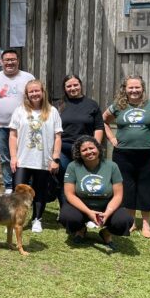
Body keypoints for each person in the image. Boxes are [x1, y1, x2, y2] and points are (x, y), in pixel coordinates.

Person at [102, 75, 150, 238]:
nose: (134, 90)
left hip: (148, 153)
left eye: (137, 87)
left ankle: (146, 224)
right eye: (130, 87)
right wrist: (112, 138)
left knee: (146, 188)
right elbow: (103, 120)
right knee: (127, 187)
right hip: (124, 154)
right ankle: (131, 222)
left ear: (143, 88)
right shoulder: (118, 106)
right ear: (125, 89)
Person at [59, 136, 133, 251]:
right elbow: (69, 194)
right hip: (81, 207)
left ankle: (106, 233)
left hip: (106, 206)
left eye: (91, 148)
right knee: (67, 217)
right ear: (79, 153)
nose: (89, 152)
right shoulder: (73, 166)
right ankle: (81, 229)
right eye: (84, 150)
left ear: (98, 148)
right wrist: (89, 212)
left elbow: (118, 195)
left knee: (124, 221)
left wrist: (108, 212)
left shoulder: (112, 166)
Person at [8, 79, 62, 233]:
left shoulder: (52, 112)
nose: (34, 94)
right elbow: (12, 135)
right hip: (22, 159)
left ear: (43, 92)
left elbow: (57, 137)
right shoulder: (20, 111)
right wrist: (13, 157)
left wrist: (55, 159)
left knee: (40, 191)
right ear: (27, 94)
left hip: (43, 160)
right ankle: (14, 220)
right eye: (31, 91)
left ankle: (37, 219)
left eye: (37, 90)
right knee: (18, 191)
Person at [0, 49, 34, 193]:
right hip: (1, 126)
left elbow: (36, 97)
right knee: (5, 158)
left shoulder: (28, 77)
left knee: (25, 157)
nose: (10, 62)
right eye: (6, 60)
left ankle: (26, 186)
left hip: (24, 127)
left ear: (18, 61)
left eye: (13, 59)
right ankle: (9, 186)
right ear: (2, 61)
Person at [56, 75, 104, 210]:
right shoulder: (59, 105)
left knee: (86, 180)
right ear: (65, 89)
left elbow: (99, 127)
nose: (73, 88)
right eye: (69, 86)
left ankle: (88, 212)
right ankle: (65, 210)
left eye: (75, 85)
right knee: (65, 181)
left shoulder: (92, 104)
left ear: (80, 85)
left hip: (85, 150)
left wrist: (95, 147)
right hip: (63, 149)